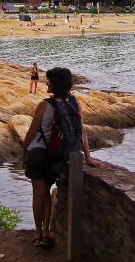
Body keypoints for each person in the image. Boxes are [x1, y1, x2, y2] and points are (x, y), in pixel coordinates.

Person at [21, 67, 105, 248]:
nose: (47, 83)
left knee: (39, 194)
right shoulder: (74, 102)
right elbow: (81, 130)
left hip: (38, 153)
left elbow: (30, 134)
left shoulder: (45, 105)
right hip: (57, 156)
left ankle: (38, 234)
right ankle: (47, 233)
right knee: (47, 191)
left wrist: (24, 154)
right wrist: (88, 157)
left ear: (55, 84)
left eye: (49, 81)